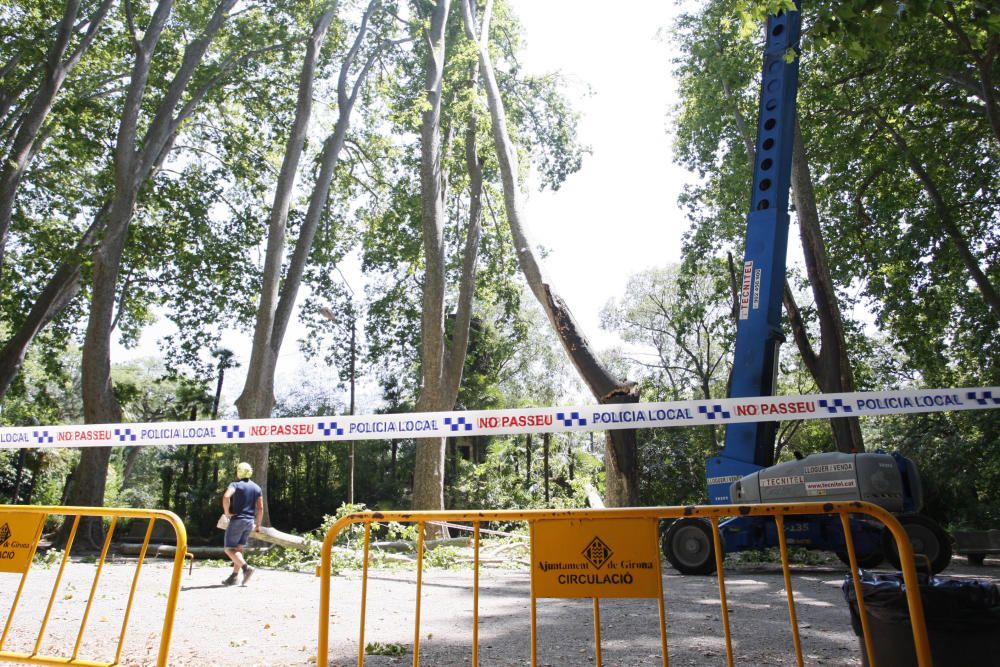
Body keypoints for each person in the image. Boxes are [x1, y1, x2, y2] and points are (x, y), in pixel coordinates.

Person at [221, 461, 263, 586]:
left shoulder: (235, 484)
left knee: (228, 549)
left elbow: (226, 497)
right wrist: (258, 525)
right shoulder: (257, 488)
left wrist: (227, 512)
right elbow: (260, 508)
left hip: (238, 520)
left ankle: (246, 568)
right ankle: (234, 577)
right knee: (238, 549)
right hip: (250, 522)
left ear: (239, 472)